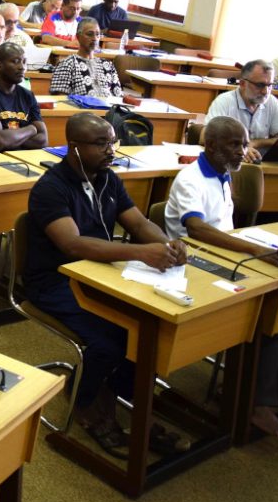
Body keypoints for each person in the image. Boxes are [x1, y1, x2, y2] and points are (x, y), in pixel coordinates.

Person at [165, 116, 278, 439]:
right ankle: (257, 403)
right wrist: (254, 249)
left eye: (245, 144)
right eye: (234, 145)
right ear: (210, 145)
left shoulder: (223, 174)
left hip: (222, 253)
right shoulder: (190, 178)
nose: (242, 152)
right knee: (269, 301)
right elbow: (197, 229)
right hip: (192, 262)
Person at [26, 112, 187, 455]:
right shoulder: (50, 189)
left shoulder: (108, 179)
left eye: (112, 142)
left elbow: (140, 224)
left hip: (102, 273)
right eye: (100, 144)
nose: (110, 150)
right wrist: (143, 254)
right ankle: (85, 403)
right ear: (74, 147)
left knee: (145, 328)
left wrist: (165, 245)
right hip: (55, 280)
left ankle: (111, 391)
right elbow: (72, 245)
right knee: (110, 341)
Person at [205, 59, 278, 161]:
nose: (265, 91)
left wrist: (256, 143)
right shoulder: (224, 101)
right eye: (260, 85)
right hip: (229, 163)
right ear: (242, 84)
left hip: (261, 163)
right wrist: (241, 148)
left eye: (270, 85)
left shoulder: (271, 102)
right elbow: (206, 136)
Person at [48, 18, 122, 98]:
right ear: (78, 37)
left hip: (109, 109)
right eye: (90, 34)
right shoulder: (67, 64)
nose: (94, 39)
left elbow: (118, 97)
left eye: (97, 34)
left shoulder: (108, 65)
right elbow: (60, 99)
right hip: (80, 109)